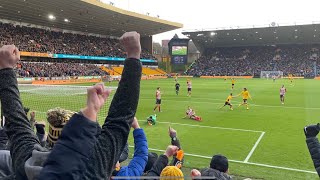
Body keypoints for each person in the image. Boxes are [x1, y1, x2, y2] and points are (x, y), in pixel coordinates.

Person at [0, 31, 142, 180]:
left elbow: (16, 124)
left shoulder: (28, 163)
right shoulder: (91, 169)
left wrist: (89, 114)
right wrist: (133, 56)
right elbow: (118, 123)